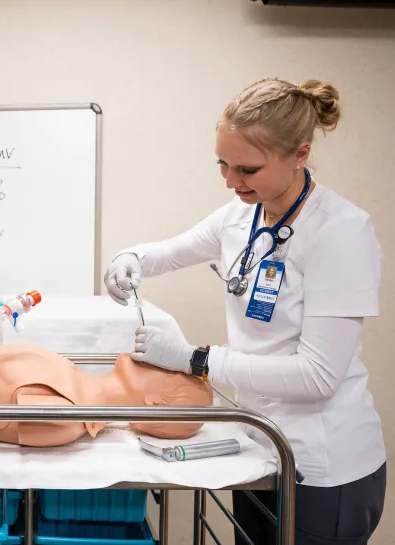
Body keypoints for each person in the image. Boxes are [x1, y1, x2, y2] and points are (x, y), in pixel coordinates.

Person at [105, 78, 386, 544]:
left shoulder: (341, 233)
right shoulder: (242, 214)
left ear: (299, 154)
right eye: (223, 163)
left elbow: (318, 376)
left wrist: (196, 359)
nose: (231, 181)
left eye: (248, 169)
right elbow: (171, 252)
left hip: (321, 467)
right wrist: (130, 258)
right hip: (261, 446)